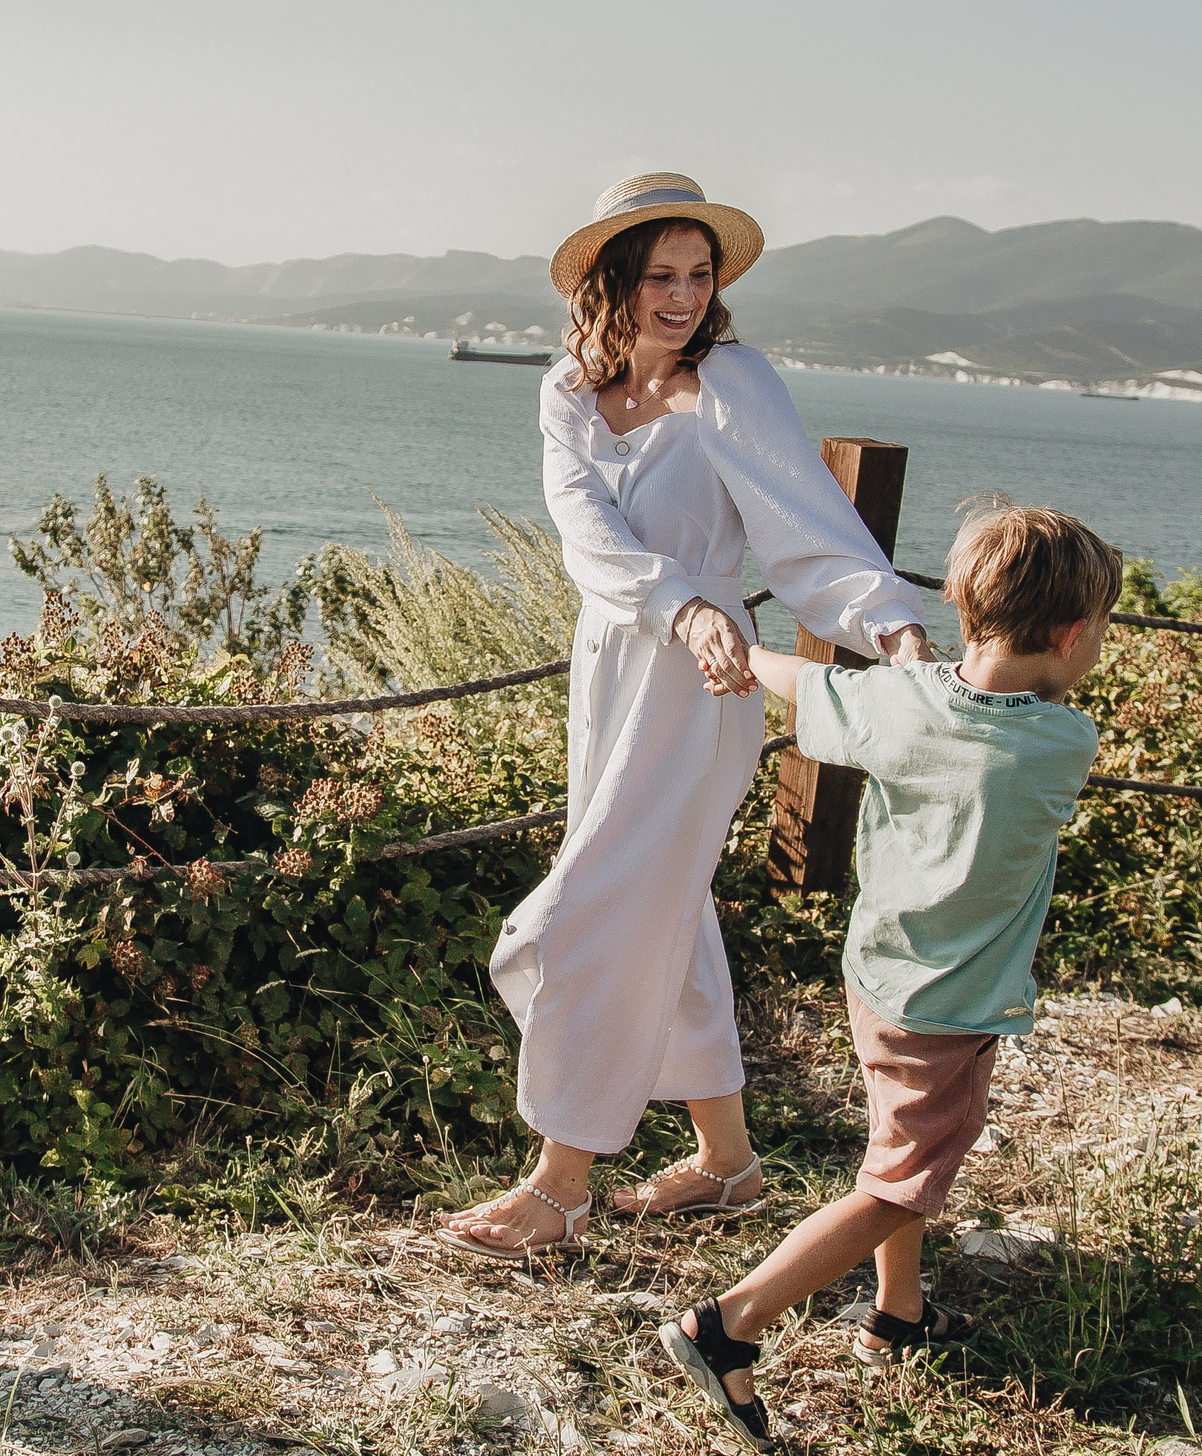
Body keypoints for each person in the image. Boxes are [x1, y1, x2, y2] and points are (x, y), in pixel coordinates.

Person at [440, 174, 931, 1261]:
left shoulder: (735, 382)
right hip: (612, 668)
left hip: (703, 694)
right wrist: (679, 606)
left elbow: (810, 526)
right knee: (665, 903)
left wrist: (890, 628)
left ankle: (558, 1184)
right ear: (612, 282)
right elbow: (584, 535)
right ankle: (727, 1162)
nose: (682, 296)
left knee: (602, 906)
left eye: (698, 274)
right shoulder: (568, 388)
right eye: (659, 274)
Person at [657, 500, 1120, 1446]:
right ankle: (730, 1322)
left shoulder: (893, 704)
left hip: (879, 976)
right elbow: (1025, 709)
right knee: (903, 1183)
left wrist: (736, 650)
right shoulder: (1063, 744)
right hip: (954, 1004)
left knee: (893, 1150)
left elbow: (803, 683)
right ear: (1074, 636)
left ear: (960, 607)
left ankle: (898, 1307)